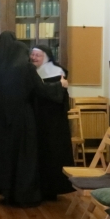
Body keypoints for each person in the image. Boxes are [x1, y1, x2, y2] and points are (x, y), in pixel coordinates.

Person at [0, 32, 67, 206]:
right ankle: (23, 194)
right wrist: (59, 85)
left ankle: (6, 192)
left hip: (1, 117)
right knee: (24, 156)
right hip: (22, 117)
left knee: (6, 155)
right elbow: (41, 90)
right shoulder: (26, 68)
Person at [31, 45, 74, 201]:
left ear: (47, 57)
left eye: (38, 55)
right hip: (37, 121)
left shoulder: (57, 73)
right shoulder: (32, 72)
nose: (34, 58)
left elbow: (59, 99)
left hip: (54, 124)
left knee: (52, 155)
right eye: (32, 55)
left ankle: (52, 188)